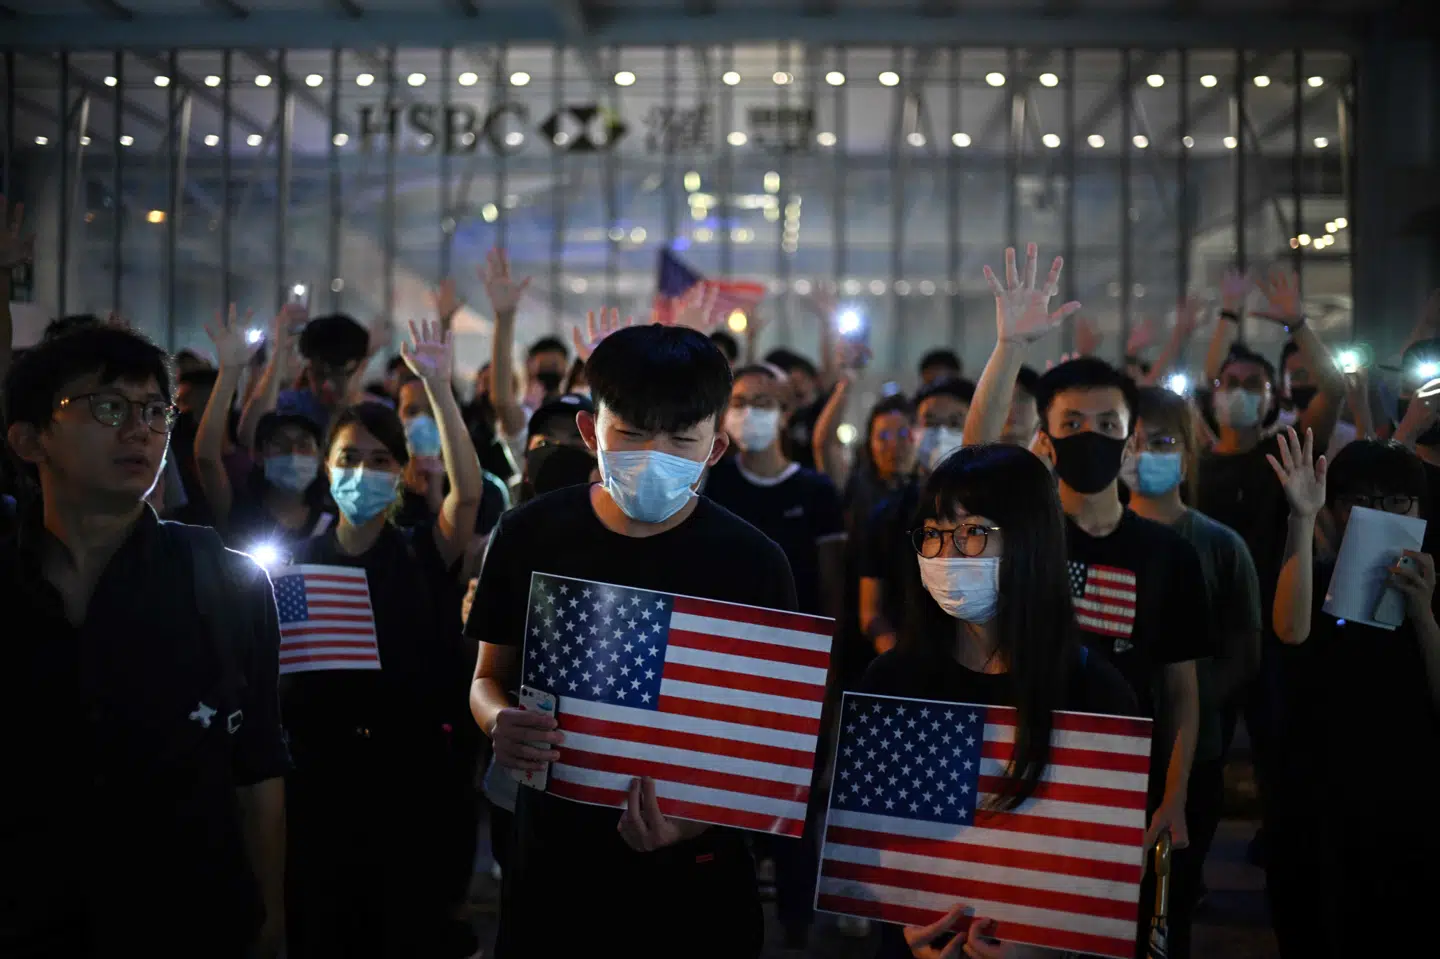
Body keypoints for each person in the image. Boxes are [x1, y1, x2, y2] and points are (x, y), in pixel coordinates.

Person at [467, 322, 797, 958]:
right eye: (633, 434)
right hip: (554, 858)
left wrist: (692, 824)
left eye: (681, 441)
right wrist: (496, 720)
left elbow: (770, 744)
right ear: (592, 432)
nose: (654, 455)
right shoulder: (530, 534)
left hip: (696, 873)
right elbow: (488, 676)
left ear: (715, 449)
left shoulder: (752, 562)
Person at [0, 323, 287, 957]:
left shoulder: (227, 580)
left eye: (156, 410)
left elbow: (258, 773)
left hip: (189, 920)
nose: (140, 429)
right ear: (29, 438)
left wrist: (270, 926)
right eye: (107, 407)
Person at [964, 244, 1210, 938]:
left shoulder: (1169, 555)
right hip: (1022, 763)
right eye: (1072, 425)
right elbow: (972, 450)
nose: (1091, 438)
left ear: (1131, 442)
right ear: (1044, 440)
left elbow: (1183, 690)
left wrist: (1175, 794)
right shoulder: (1024, 532)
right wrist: (1011, 345)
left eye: (1109, 426)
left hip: (1123, 781)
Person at [857, 443, 1138, 959]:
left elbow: (1105, 880)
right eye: (936, 535)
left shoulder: (1097, 695)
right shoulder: (891, 680)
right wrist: (906, 932)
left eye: (974, 533)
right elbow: (875, 851)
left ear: (1031, 541)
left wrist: (1047, 949)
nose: (947, 555)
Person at [281, 320, 483, 958]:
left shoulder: (424, 550)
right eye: (349, 460)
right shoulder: (295, 560)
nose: (363, 473)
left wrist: (440, 389)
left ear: (399, 473)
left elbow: (470, 492)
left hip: (412, 779)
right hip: (320, 780)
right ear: (326, 467)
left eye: (378, 461)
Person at [1267, 432, 1440, 957]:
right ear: (1336, 511)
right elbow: (1290, 630)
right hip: (1317, 802)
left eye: (1396, 502)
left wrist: (1423, 616)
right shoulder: (1314, 577)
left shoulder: (1432, 588)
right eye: (1360, 501)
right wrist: (1302, 517)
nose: (1378, 513)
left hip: (1409, 804)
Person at [1121, 386, 1262, 959]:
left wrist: (1187, 707)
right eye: (1130, 440)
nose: (1144, 452)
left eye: (1161, 440)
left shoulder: (1220, 546)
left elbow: (1244, 654)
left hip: (1191, 758)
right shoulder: (1089, 544)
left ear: (1186, 454)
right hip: (1108, 756)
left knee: (1167, 911)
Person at [194, 306, 336, 554]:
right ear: (258, 455)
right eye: (279, 444)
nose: (293, 452)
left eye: (303, 444)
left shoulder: (334, 520)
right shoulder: (239, 510)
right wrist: (230, 372)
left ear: (321, 458)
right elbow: (206, 457)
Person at [858, 377, 974, 658]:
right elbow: (870, 610)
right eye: (931, 423)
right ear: (914, 432)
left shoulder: (996, 510)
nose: (941, 433)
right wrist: (892, 649)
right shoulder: (888, 515)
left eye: (955, 423)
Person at [393, 366, 509, 538]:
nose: (422, 421)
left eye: (433, 412)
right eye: (411, 411)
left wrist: (436, 500)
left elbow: (471, 556)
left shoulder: (485, 491)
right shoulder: (384, 486)